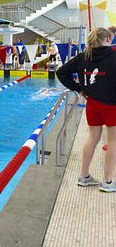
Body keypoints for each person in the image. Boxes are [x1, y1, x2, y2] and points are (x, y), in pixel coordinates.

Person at [56, 27, 116, 192]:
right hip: (112, 106)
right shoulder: (113, 56)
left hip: (92, 104)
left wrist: (79, 88)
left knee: (93, 138)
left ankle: (83, 176)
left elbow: (61, 73)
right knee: (113, 142)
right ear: (108, 40)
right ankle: (108, 182)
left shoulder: (84, 56)